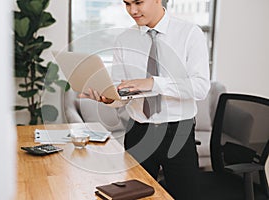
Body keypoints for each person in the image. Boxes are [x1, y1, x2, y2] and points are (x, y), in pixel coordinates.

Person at [79, 0, 210, 199]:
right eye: (127, 3)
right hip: (138, 131)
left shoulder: (190, 33)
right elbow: (122, 93)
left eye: (138, 2)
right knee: (134, 196)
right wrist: (109, 98)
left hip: (178, 132)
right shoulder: (124, 39)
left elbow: (200, 87)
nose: (132, 10)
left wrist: (153, 83)